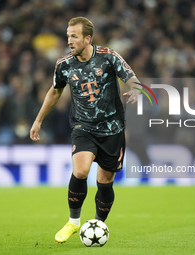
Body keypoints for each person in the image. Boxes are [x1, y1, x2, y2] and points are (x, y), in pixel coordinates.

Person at [30, 17, 140, 243]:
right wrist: (38, 120)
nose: (69, 40)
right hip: (83, 127)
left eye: (74, 36)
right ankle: (73, 222)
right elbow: (54, 92)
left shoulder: (109, 57)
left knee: (105, 181)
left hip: (112, 128)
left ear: (87, 38)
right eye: (68, 35)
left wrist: (136, 91)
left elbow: (132, 79)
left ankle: (99, 224)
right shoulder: (64, 64)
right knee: (80, 172)